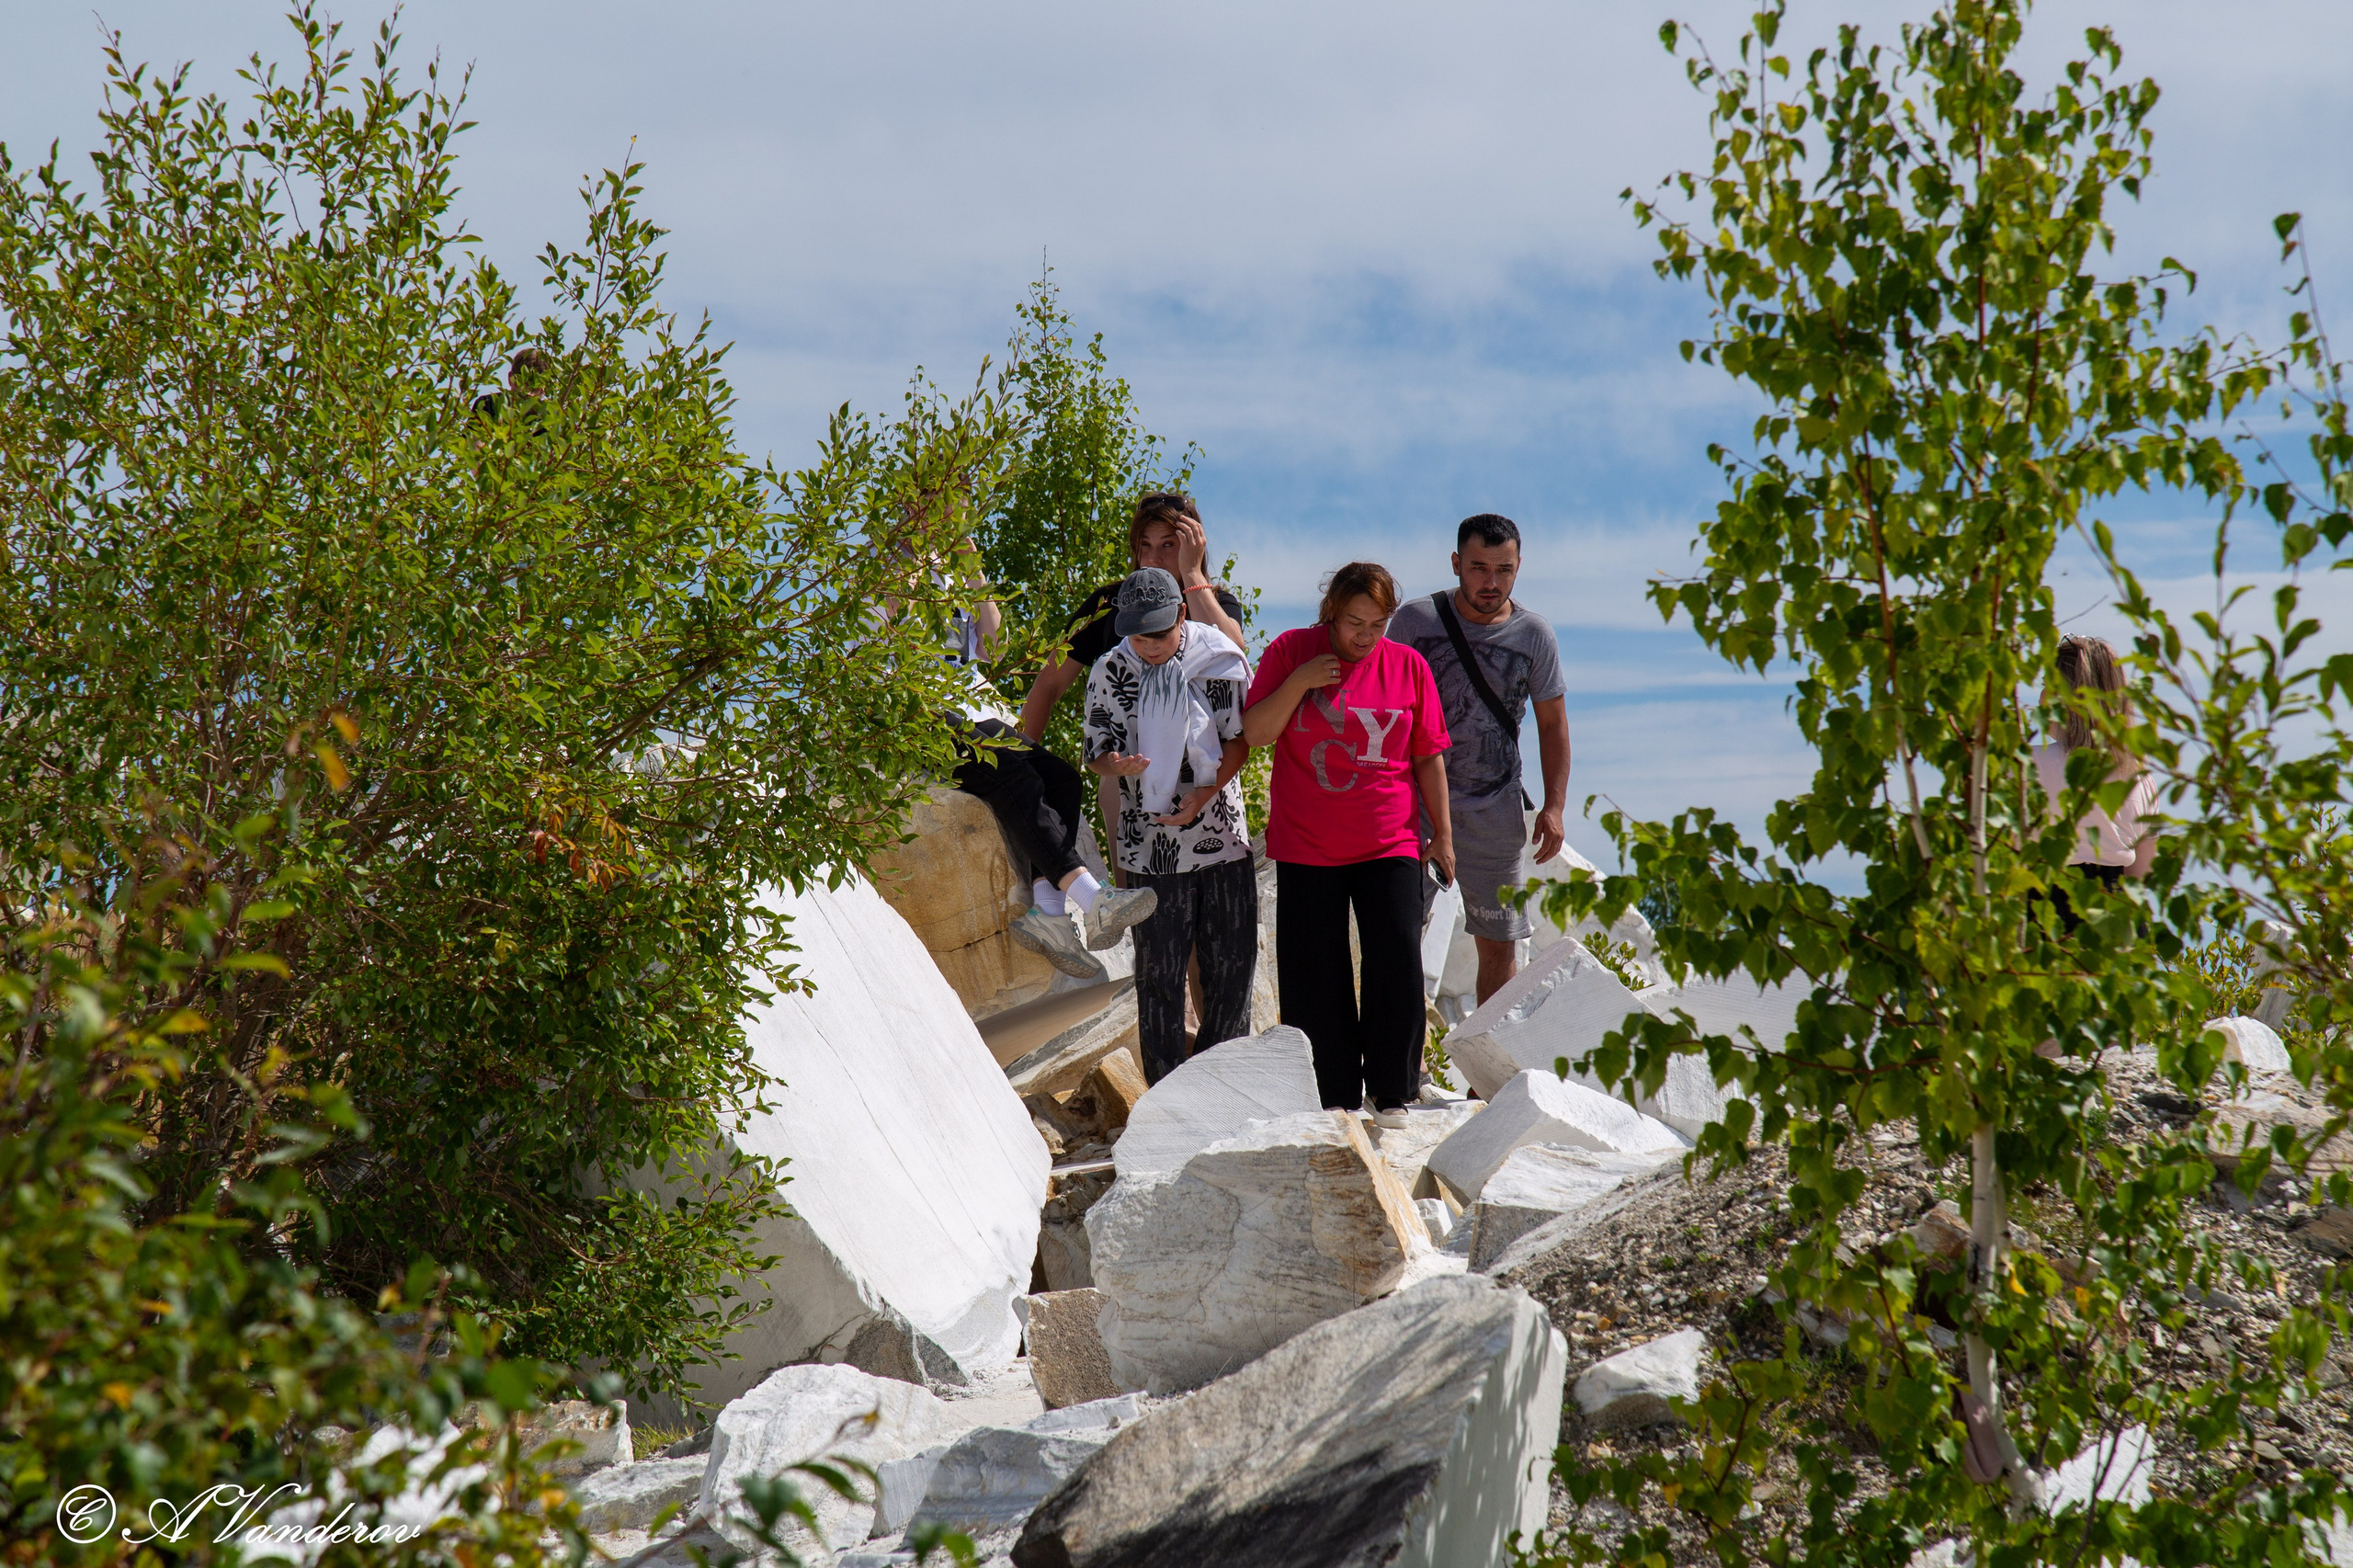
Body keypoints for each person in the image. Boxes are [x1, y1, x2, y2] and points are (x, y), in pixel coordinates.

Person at [1243, 562, 1453, 1125]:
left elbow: (1428, 755)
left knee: (1395, 959)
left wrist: (1445, 835)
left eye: (1378, 624)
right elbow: (1257, 732)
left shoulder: (1408, 666)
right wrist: (1301, 682)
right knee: (1314, 970)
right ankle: (1332, 1096)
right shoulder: (1291, 651)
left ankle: (1394, 1092)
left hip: (1389, 837)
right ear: (1330, 612)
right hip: (1307, 841)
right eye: (1354, 622)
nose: (1364, 636)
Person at [929, 562, 1157, 974]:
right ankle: (1092, 899)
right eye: (950, 499)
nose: (957, 508)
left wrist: (973, 566)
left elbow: (993, 648)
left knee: (1061, 778)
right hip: (918, 716)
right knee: (1014, 776)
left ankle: (1049, 914)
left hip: (969, 710)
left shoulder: (950, 565)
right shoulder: (887, 561)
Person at [1385, 514, 1572, 1003]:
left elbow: (1553, 725)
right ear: (1455, 564)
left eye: (1504, 570)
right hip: (1417, 808)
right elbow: (1379, 704)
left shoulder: (1534, 635)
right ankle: (1399, 1067)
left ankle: (1489, 1081)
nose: (1491, 582)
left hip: (1495, 809)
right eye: (1479, 568)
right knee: (1400, 938)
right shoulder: (1414, 622)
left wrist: (1554, 806)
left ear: (1518, 567)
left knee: (1499, 946)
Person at [1082, 567, 1257, 1082]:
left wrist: (1201, 796)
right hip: (1149, 843)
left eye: (1159, 633)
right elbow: (1096, 751)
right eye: (1139, 635)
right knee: (1158, 975)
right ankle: (1164, 1094)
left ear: (1182, 614)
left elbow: (1238, 740)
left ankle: (1224, 1089)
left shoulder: (1219, 660)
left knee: (1231, 969)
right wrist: (1117, 766)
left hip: (1219, 834)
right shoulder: (1109, 670)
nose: (1150, 645)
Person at [2032, 633, 2157, 927]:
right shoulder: (2139, 775)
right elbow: (2142, 873)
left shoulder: (2028, 765)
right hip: (2117, 911)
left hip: (2047, 907)